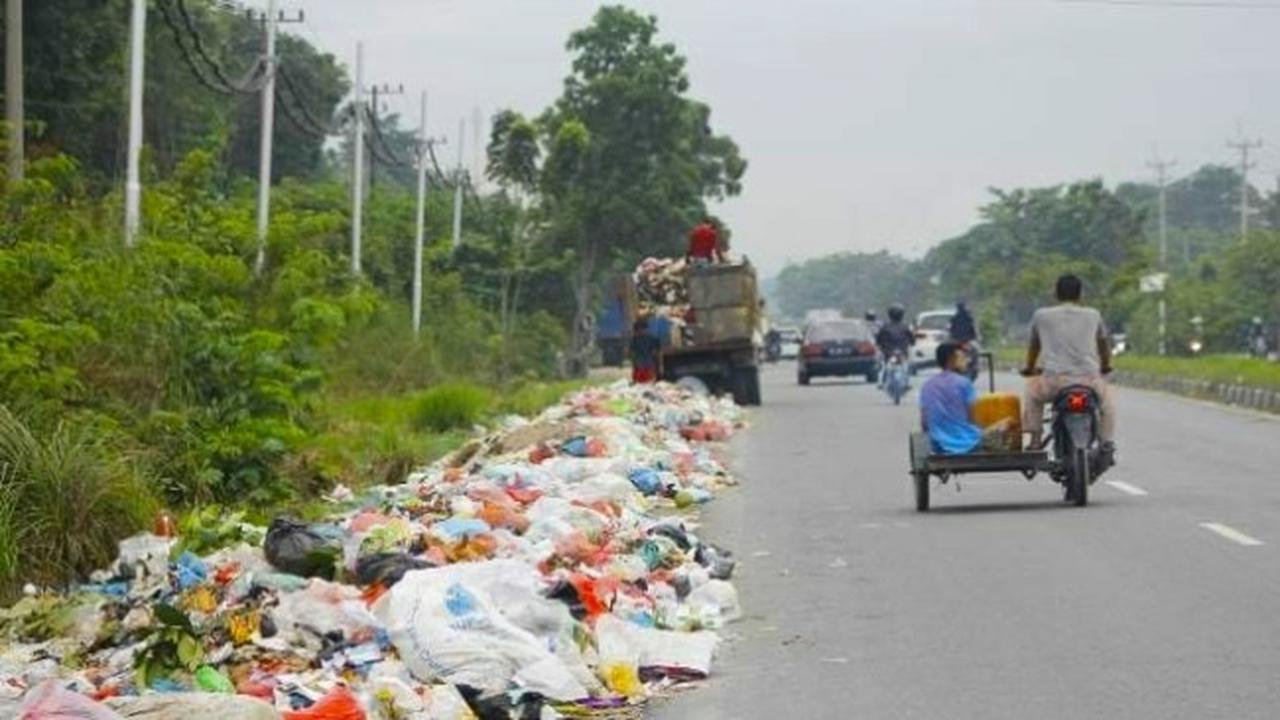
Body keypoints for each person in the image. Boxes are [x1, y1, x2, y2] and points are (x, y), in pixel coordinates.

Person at [1020, 274, 1116, 455]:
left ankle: (1034, 441)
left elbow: (1035, 345)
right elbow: (1103, 344)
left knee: (1032, 394)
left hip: (1054, 382)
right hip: (1089, 381)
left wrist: (1030, 367)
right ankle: (1106, 442)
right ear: (1081, 295)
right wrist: (1105, 366)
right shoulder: (1093, 315)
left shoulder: (1041, 315)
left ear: (1055, 294)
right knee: (1107, 404)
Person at [919, 342, 1012, 454]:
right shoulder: (964, 383)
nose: (967, 361)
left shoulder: (927, 385)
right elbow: (973, 418)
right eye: (962, 358)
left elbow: (924, 422)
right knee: (1008, 422)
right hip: (969, 444)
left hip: (939, 446)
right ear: (951, 360)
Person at [875, 304, 915, 387]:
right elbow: (912, 339)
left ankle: (881, 382)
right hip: (901, 351)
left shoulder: (885, 326)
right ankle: (907, 383)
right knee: (906, 365)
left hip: (888, 351)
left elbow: (878, 339)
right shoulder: (905, 326)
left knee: (883, 365)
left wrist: (879, 345)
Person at [629, 317, 662, 385]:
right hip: (642, 366)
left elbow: (656, 351)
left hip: (647, 366)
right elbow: (632, 352)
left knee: (647, 382)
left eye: (637, 330)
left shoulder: (652, 339)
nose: (637, 332)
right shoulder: (635, 339)